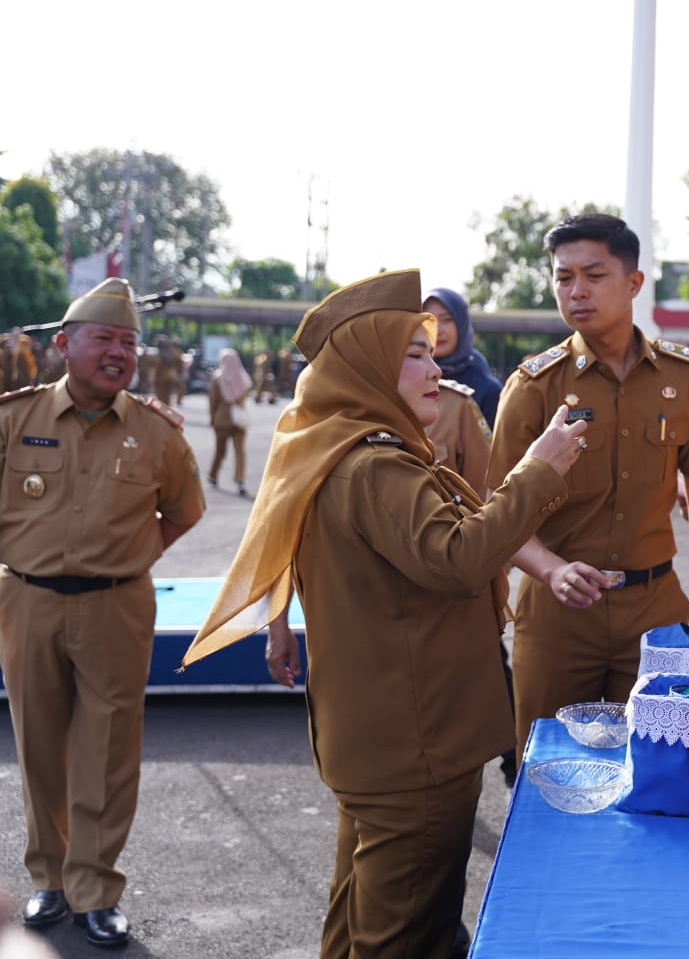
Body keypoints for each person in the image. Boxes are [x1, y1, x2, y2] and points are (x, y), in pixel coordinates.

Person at [182, 268, 585, 957]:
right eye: (413, 353)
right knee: (408, 934)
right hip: (417, 745)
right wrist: (539, 469)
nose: (434, 368)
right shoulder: (376, 467)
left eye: (433, 351)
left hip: (377, 735)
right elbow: (459, 559)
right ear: (368, 365)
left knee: (357, 917)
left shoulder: (327, 445)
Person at [0, 277, 205, 948]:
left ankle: (95, 888)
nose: (120, 353)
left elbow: (183, 510)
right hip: (27, 601)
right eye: (104, 339)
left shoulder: (155, 431)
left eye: (129, 342)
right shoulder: (14, 419)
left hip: (118, 604)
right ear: (63, 345)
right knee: (37, 745)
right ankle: (50, 880)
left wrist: (131, 552)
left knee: (109, 750)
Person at [487, 212, 689, 753]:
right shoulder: (533, 386)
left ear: (634, 283)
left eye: (594, 275)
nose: (576, 291)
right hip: (558, 613)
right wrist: (550, 570)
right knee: (550, 767)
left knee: (658, 770)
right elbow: (496, 510)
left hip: (655, 613)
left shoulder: (684, 378)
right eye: (562, 277)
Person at [424, 287, 502, 423]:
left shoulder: (488, 390)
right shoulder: (408, 382)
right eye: (429, 321)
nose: (438, 330)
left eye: (446, 319)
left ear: (462, 323)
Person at [207, 347, 252, 496]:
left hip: (222, 420)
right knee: (240, 452)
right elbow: (244, 398)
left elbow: (213, 401)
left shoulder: (217, 378)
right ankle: (240, 481)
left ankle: (213, 475)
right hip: (239, 420)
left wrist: (212, 418)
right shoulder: (243, 377)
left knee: (220, 451)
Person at [152, 334, 183, 404]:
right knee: (166, 396)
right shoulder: (170, 352)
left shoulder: (164, 353)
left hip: (162, 379)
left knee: (162, 396)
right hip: (169, 377)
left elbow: (159, 368)